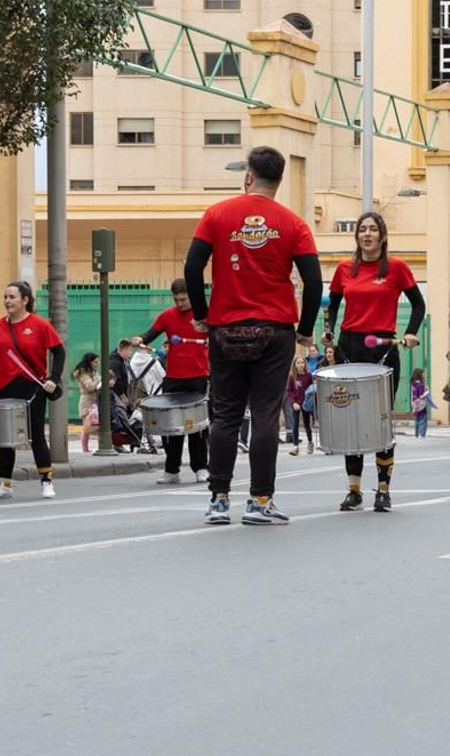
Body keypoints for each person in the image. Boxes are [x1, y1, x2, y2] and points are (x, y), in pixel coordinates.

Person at [185, 145, 321, 525]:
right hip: (275, 330)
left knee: (225, 415)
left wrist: (201, 314)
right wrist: (306, 330)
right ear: (278, 181)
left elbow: (192, 266)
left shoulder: (217, 215)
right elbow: (313, 281)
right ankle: (260, 500)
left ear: (248, 176)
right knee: (264, 414)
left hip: (225, 327)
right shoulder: (294, 224)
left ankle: (218, 499)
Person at [324, 211, 425, 512]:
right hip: (349, 347)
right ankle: (353, 490)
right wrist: (328, 332)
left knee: (380, 420)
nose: (367, 234)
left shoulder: (397, 268)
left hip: (382, 347)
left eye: (373, 229)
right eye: (362, 230)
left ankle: (383, 488)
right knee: (349, 419)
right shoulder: (344, 269)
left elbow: (418, 304)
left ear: (382, 236)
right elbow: (333, 305)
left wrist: (409, 333)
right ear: (357, 236)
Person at [0, 280, 64, 500]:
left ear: (25, 300)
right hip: (4, 386)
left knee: (35, 435)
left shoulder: (40, 325)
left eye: (12, 297)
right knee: (6, 439)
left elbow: (59, 352)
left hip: (33, 387)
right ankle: (5, 485)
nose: (7, 301)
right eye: (5, 297)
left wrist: (53, 378)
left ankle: (46, 481)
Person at [141, 279, 212, 484]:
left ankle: (201, 467)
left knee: (197, 426)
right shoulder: (167, 316)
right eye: (176, 299)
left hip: (198, 376)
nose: (179, 303)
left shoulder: (204, 315)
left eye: (183, 299)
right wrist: (140, 339)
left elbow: (218, 336)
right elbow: (150, 334)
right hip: (173, 377)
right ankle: (172, 470)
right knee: (170, 427)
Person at [71, 352, 101, 453]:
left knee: (97, 425)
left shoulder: (93, 372)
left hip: (94, 400)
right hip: (87, 401)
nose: (97, 364)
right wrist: (98, 379)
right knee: (87, 426)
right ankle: (85, 449)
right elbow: (90, 387)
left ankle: (97, 447)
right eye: (96, 362)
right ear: (90, 362)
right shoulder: (83, 374)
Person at [410, 368, 433, 438]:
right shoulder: (421, 385)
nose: (424, 375)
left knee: (416, 419)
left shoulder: (412, 384)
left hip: (414, 404)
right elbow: (421, 396)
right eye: (423, 374)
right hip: (421, 404)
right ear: (420, 375)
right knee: (423, 419)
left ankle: (416, 434)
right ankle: (421, 434)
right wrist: (427, 391)